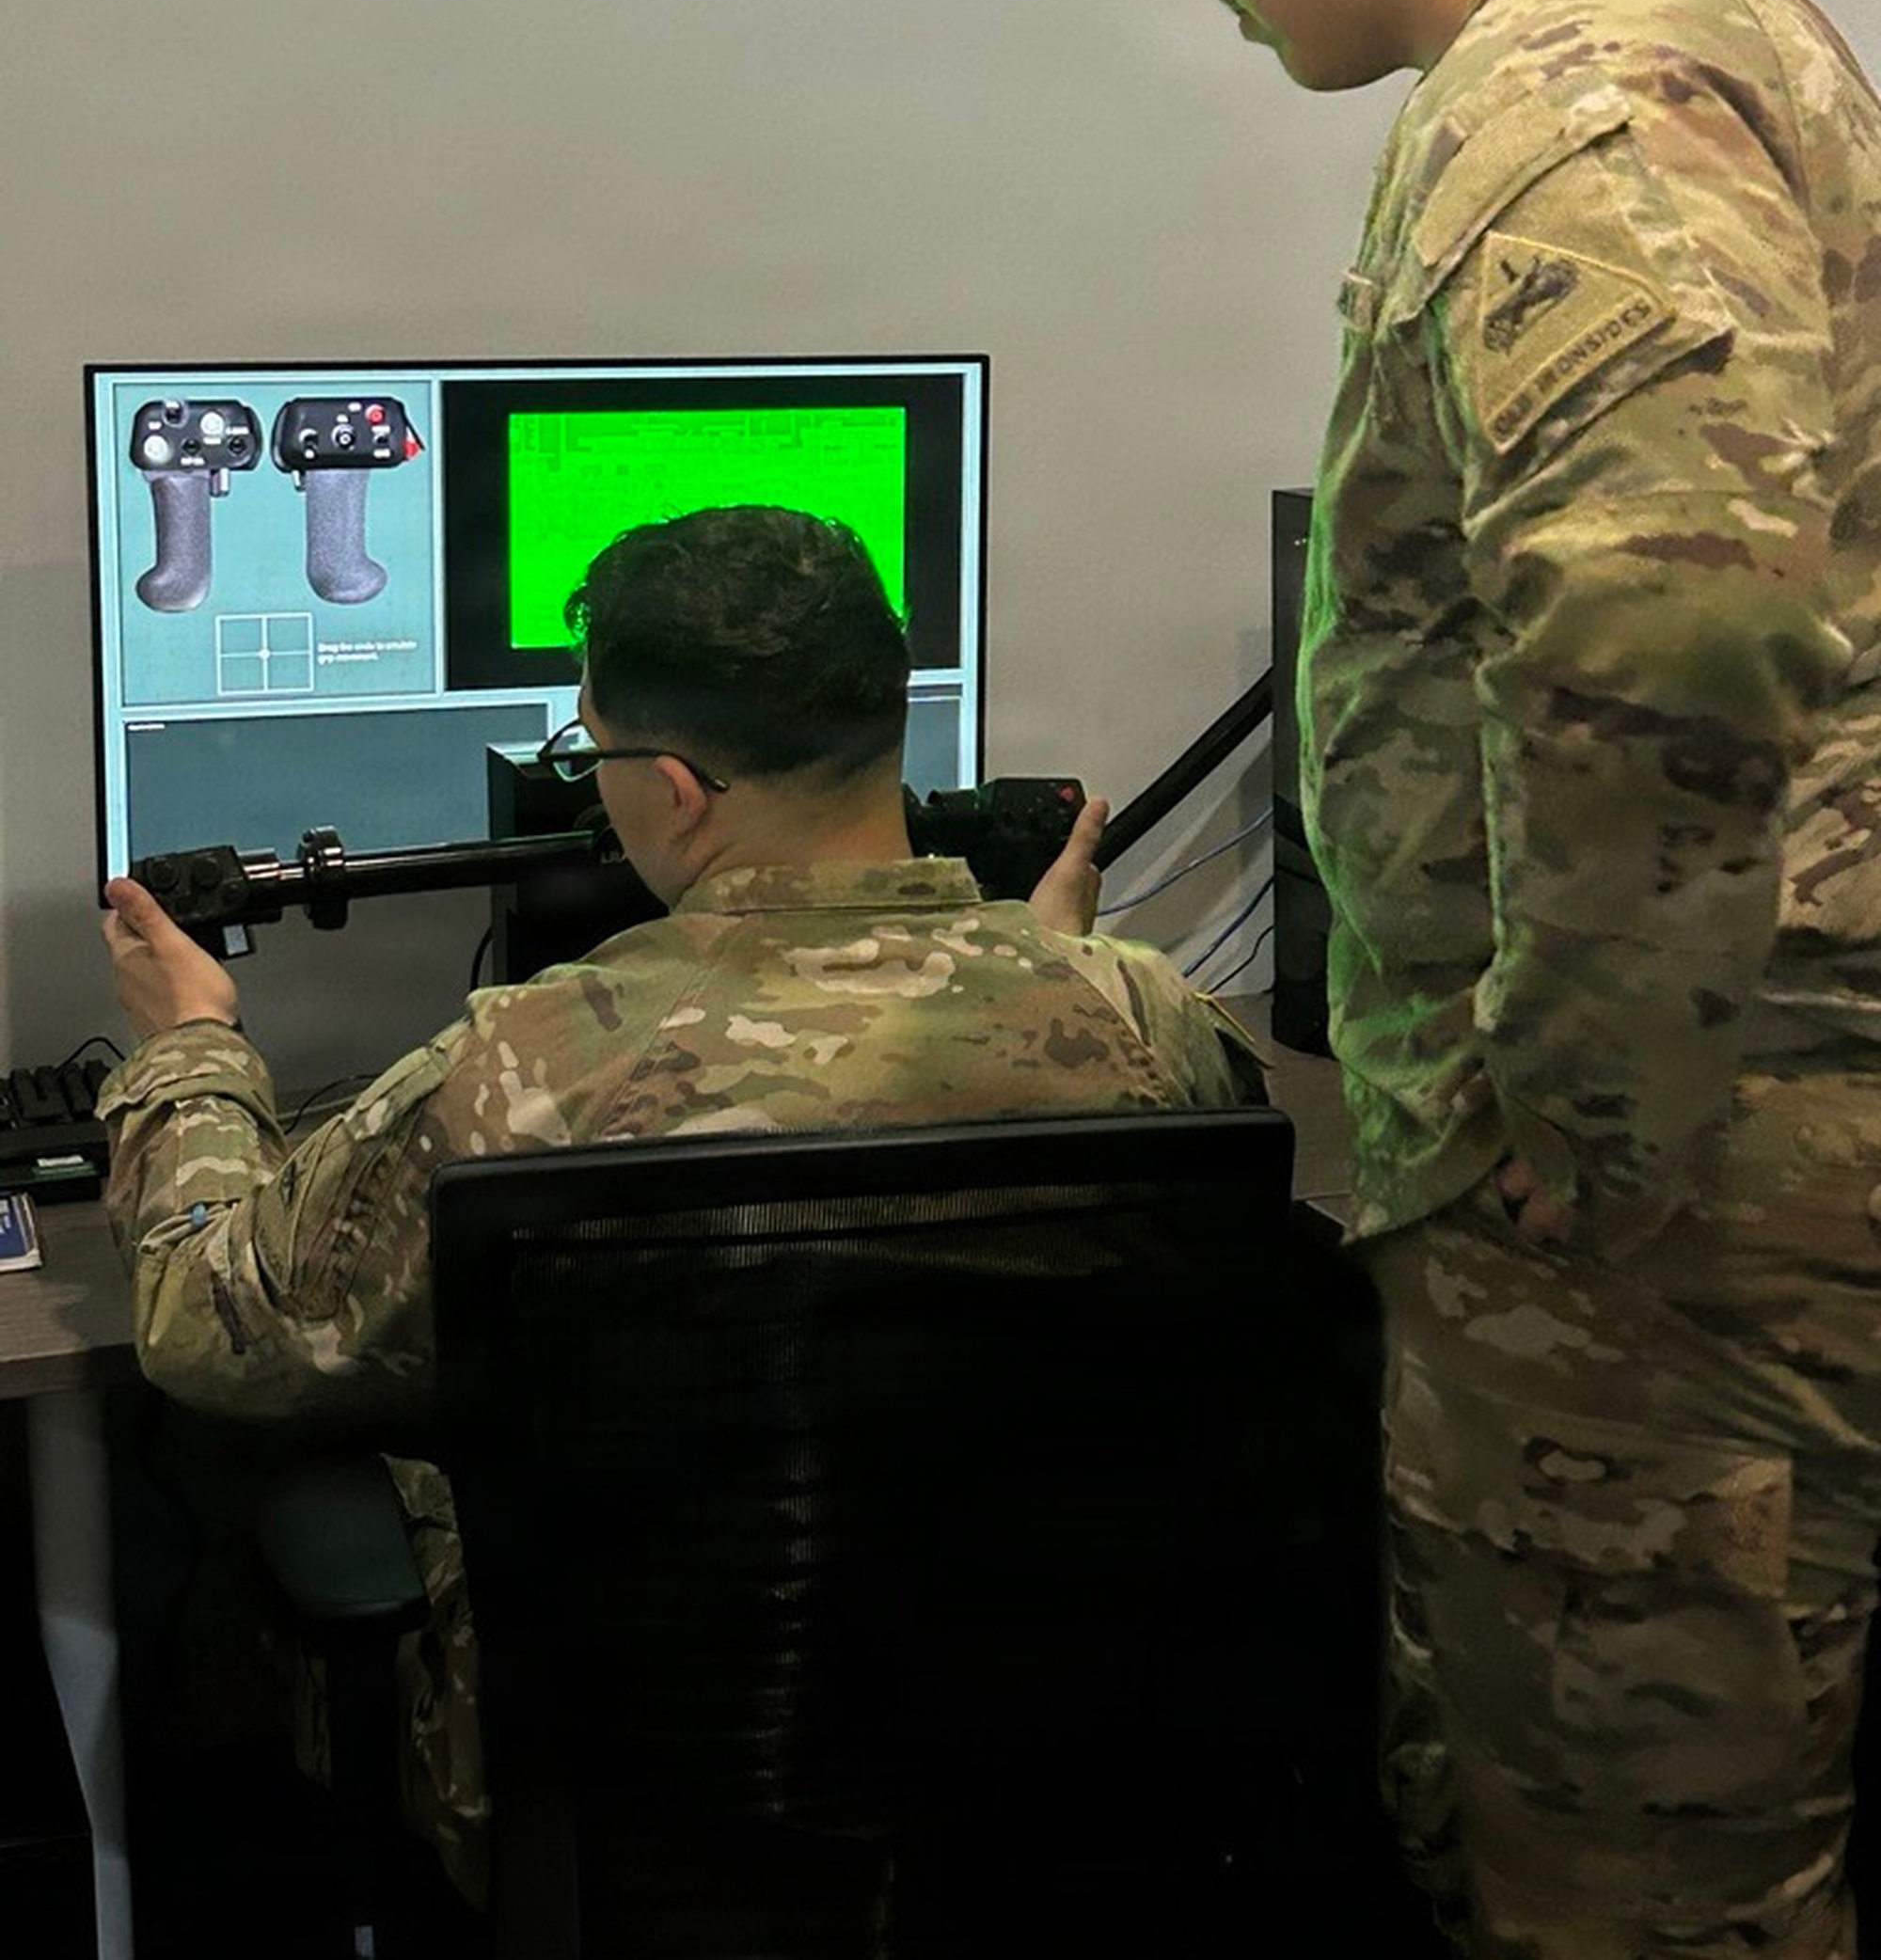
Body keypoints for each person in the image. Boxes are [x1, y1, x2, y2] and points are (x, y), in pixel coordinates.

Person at [1129, 0, 1881, 1960]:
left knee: (1639, 1905)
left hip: (1659, 1252)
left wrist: (1578, 1114)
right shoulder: (1652, 32)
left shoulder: (1580, 95)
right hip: (1695, 1196)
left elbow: (1681, 636)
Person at [98, 501, 1261, 1905]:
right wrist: (1050, 962)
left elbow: (212, 1330)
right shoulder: (1141, 1015)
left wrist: (188, 1051)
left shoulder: (518, 1072)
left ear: (678, 789)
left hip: (641, 1799)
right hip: (1081, 1784)